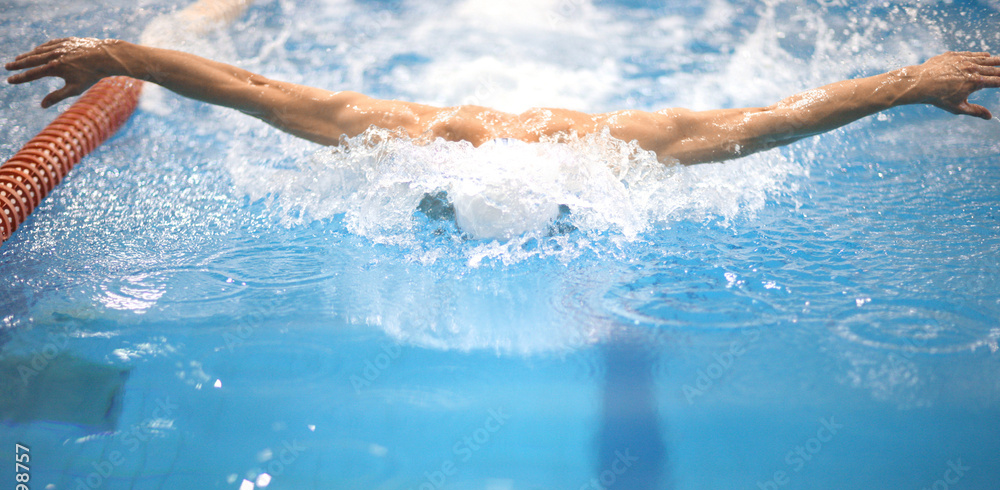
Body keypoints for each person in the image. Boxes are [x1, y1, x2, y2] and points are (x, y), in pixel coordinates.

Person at [5, 38, 999, 166]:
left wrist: (910, 85)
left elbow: (759, 121)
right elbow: (255, 88)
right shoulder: (409, 135)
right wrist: (113, 53)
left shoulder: (597, 146)